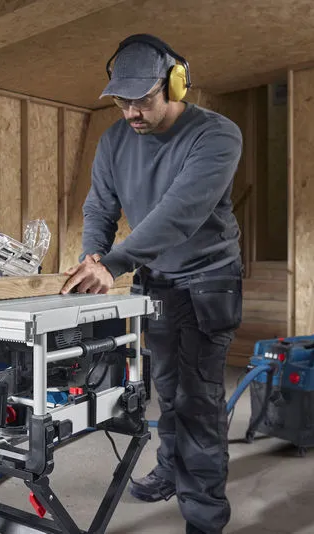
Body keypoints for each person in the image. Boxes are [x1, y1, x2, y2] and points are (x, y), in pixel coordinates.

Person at [60, 34, 244, 534]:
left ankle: (204, 517)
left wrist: (114, 263)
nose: (132, 113)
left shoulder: (217, 135)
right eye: (123, 101)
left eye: (143, 99)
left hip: (209, 280)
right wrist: (92, 256)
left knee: (200, 398)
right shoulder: (116, 140)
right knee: (165, 386)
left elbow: (179, 215)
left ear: (176, 86)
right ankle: (170, 469)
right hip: (157, 282)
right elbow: (100, 206)